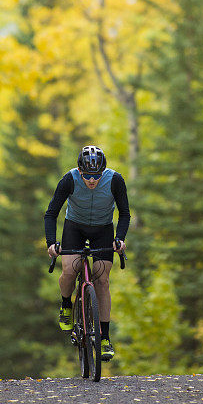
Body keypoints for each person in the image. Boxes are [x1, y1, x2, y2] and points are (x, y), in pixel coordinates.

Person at [45, 144, 130, 361]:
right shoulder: (69, 180)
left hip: (103, 229)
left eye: (97, 175)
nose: (92, 180)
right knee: (70, 271)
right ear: (80, 171)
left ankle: (104, 338)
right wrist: (52, 243)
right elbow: (51, 213)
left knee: (102, 280)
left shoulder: (115, 180)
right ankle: (66, 304)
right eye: (88, 176)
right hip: (75, 226)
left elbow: (125, 213)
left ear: (103, 171)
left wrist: (119, 239)